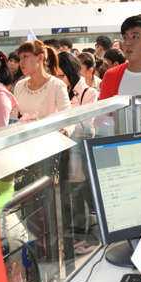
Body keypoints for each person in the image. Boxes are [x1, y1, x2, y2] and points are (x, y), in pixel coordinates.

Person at [57, 51, 99, 254]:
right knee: (69, 197)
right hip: (64, 152)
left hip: (80, 152)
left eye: (62, 76)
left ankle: (90, 238)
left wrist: (68, 123)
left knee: (84, 196)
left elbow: (88, 125)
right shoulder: (58, 92)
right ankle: (76, 236)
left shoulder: (88, 92)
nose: (59, 80)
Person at [11, 40, 71, 127]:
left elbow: (67, 118)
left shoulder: (57, 85)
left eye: (25, 56)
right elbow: (14, 117)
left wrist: (64, 131)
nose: (21, 62)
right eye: (20, 58)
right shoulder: (19, 85)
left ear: (40, 58)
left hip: (49, 137)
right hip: (25, 137)